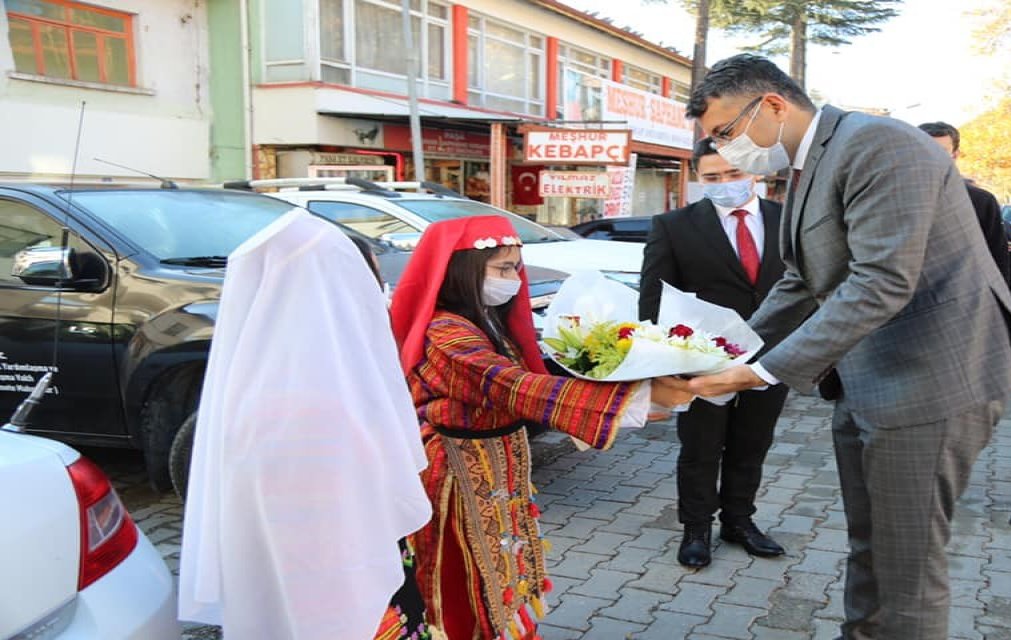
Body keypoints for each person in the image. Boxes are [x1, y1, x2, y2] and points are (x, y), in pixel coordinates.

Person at [683, 54, 1011, 640]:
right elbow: (799, 278)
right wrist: (733, 349)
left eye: (725, 133)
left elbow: (881, 281)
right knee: (872, 543)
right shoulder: (812, 161)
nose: (726, 149)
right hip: (870, 377)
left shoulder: (878, 144)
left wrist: (760, 374)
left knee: (908, 565)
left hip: (932, 380)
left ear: (771, 105)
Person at [389, 215, 693, 640]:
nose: (514, 279)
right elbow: (511, 385)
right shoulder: (446, 333)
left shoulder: (485, 319)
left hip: (493, 468)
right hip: (457, 477)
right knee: (459, 582)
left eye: (516, 267)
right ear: (464, 271)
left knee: (501, 569)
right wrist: (641, 398)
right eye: (502, 269)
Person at [179, 209, 436, 639]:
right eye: (366, 281)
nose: (380, 294)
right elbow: (344, 533)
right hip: (337, 591)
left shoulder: (257, 386)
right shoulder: (315, 403)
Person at [639, 137, 790, 569]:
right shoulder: (674, 226)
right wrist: (663, 365)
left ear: (754, 172)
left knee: (752, 444)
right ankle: (696, 529)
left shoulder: (789, 220)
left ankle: (740, 521)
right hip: (701, 359)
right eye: (713, 178)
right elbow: (653, 299)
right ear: (698, 179)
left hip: (769, 357)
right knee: (701, 448)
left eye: (734, 173)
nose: (725, 183)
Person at [919, 121, 1011, 294]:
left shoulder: (981, 201)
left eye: (940, 151)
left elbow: (997, 259)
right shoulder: (889, 197)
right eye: (924, 149)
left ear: (955, 155)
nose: (931, 157)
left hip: (963, 298)